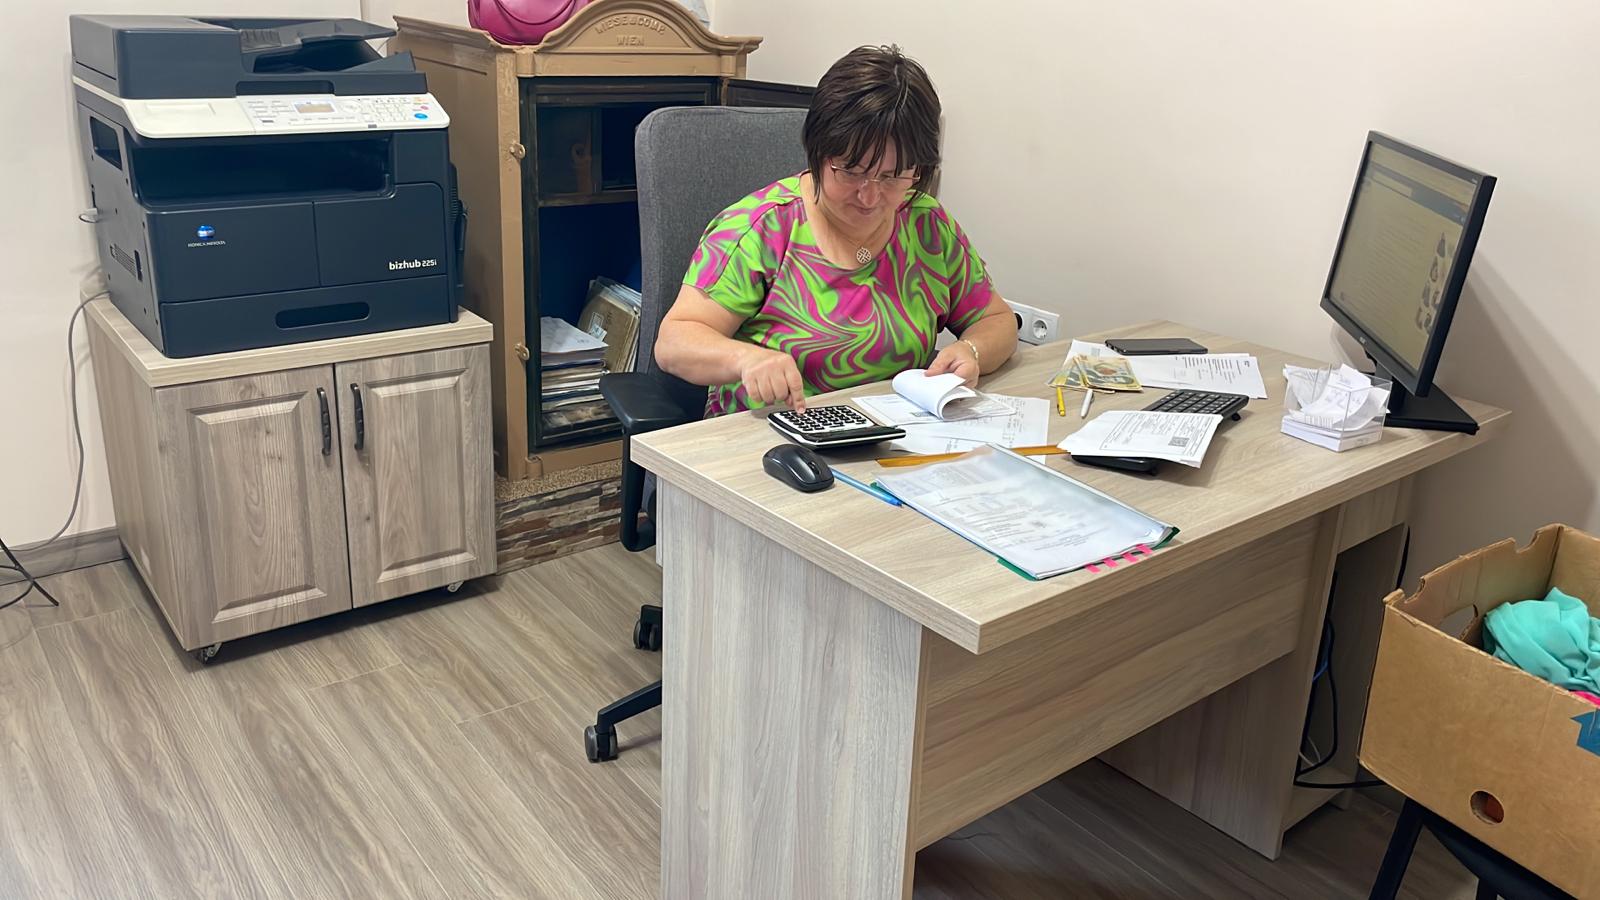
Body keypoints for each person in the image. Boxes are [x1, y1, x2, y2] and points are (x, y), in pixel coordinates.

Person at [654, 45, 1019, 415]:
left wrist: (971, 351)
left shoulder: (926, 225)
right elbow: (673, 342)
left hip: (899, 432)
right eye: (851, 171)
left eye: (892, 177)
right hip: (773, 432)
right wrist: (745, 359)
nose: (870, 196)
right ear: (817, 153)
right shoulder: (762, 229)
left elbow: (996, 320)